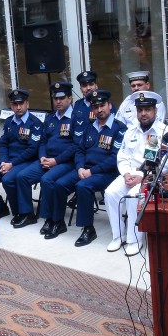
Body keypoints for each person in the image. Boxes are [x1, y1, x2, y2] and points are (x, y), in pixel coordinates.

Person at [49, 90, 127, 247]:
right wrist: (79, 168)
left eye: (102, 105)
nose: (99, 110)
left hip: (107, 172)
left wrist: (91, 171)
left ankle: (88, 229)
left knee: (82, 186)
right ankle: (58, 222)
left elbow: (115, 158)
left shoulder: (119, 129)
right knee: (59, 184)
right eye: (95, 106)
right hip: (85, 169)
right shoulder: (90, 127)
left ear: (110, 106)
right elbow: (80, 150)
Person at [103, 91, 168, 256]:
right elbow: (122, 157)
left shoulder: (163, 132)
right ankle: (119, 236)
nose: (143, 113)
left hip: (150, 176)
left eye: (147, 109)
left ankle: (135, 239)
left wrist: (141, 176)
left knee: (134, 197)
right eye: (140, 110)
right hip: (129, 174)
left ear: (155, 110)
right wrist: (125, 174)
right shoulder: (130, 131)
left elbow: (167, 163)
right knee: (110, 193)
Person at [14, 82, 83, 238]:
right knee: (22, 176)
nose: (58, 101)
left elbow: (76, 146)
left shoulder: (77, 118)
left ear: (70, 98)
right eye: (55, 98)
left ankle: (55, 220)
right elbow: (43, 141)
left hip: (66, 162)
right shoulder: (50, 118)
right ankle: (28, 214)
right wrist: (42, 157)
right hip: (47, 159)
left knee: (47, 180)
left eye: (62, 98)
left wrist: (56, 161)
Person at [0, 88, 42, 224]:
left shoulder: (35, 123)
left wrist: (11, 165)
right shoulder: (9, 122)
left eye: (21, 103)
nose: (18, 107)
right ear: (11, 105)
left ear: (27, 104)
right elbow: (3, 144)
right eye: (15, 104)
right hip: (8, 161)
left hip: (26, 162)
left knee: (8, 179)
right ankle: (1, 208)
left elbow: (33, 149)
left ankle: (22, 212)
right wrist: (4, 162)